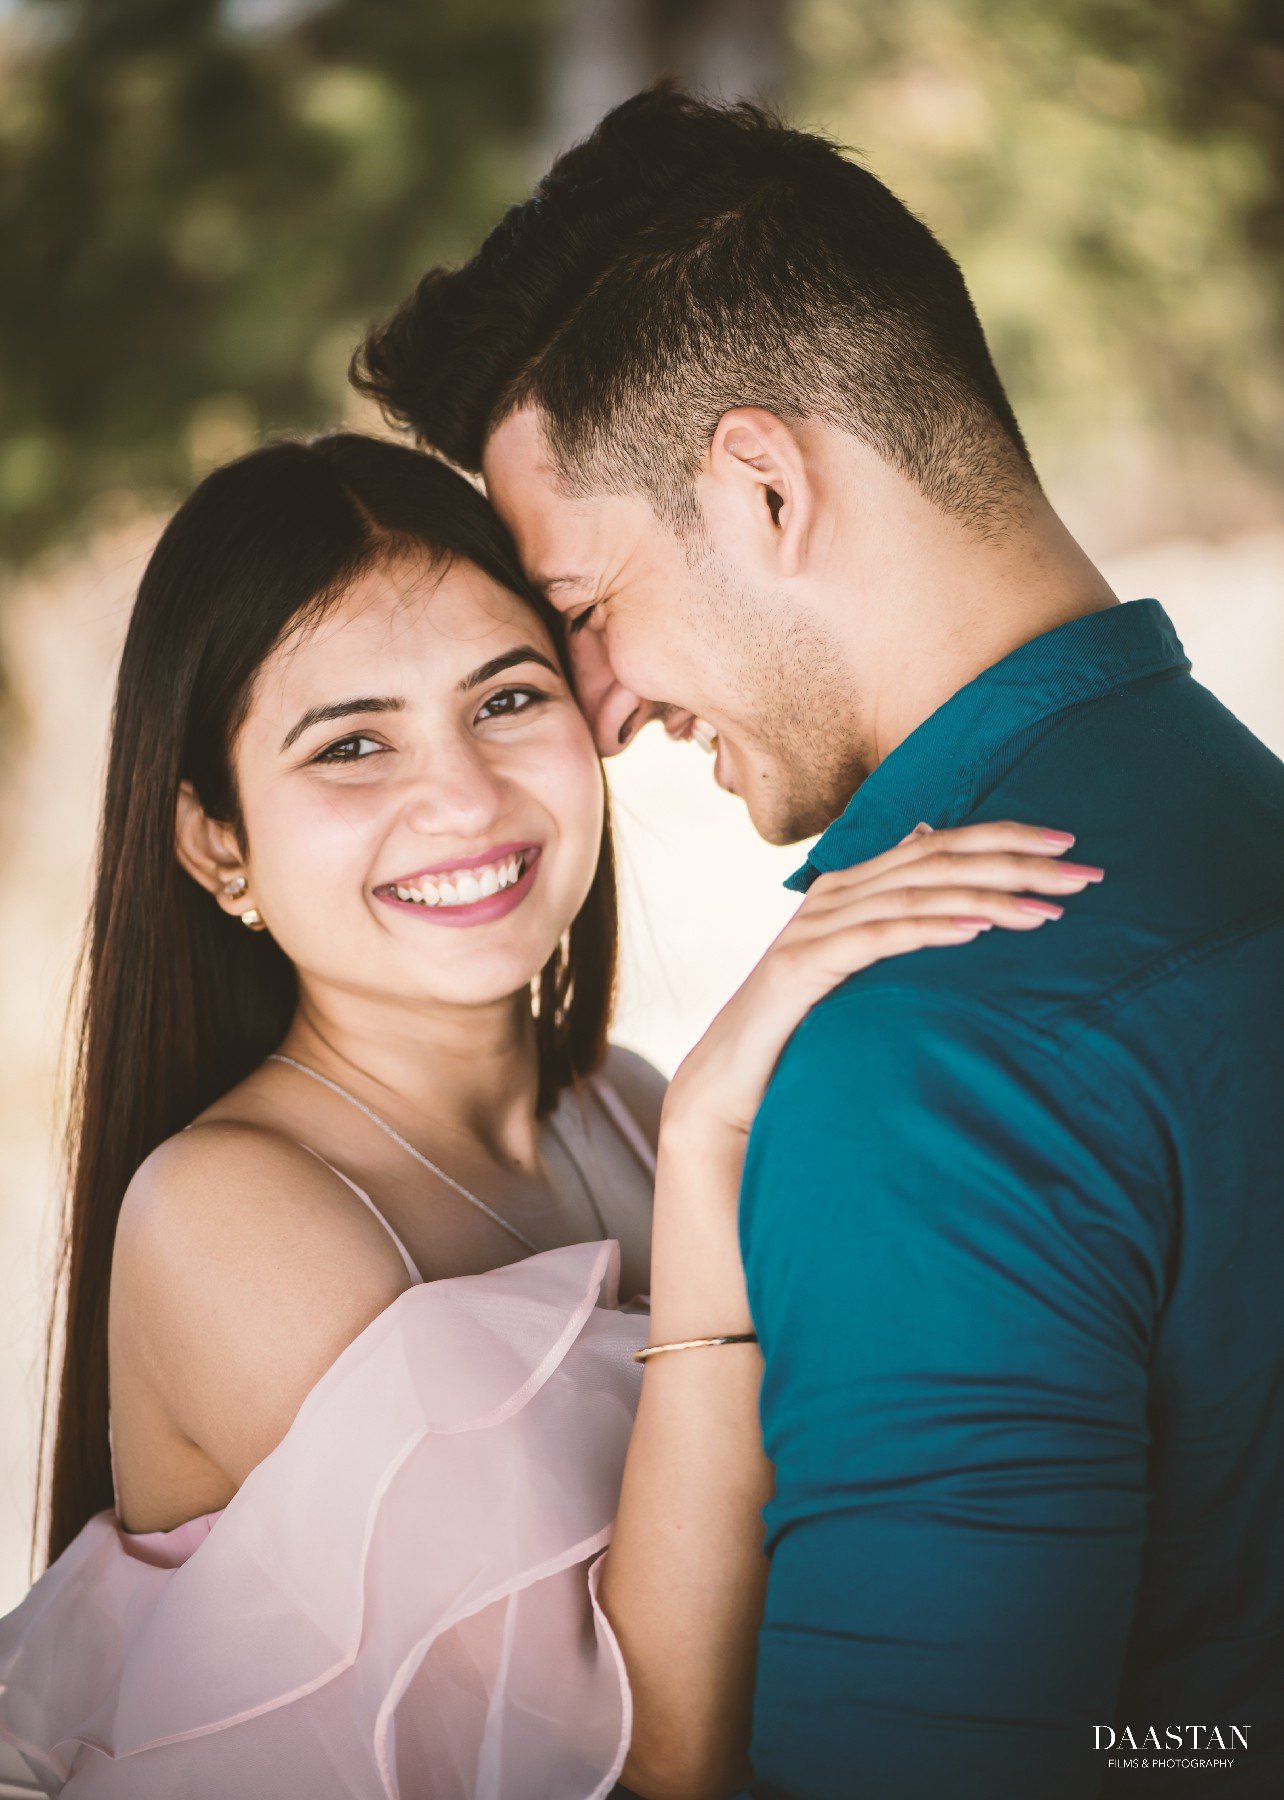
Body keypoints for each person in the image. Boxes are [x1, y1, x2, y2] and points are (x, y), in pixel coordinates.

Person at [352, 85, 1284, 1797]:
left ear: (764, 488)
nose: (600, 709)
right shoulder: (1245, 823)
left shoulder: (919, 1041)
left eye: (580, 611)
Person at [0, 431, 1079, 1799]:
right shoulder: (225, 1214)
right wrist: (712, 1149)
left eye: (506, 700)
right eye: (350, 743)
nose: (458, 797)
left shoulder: (616, 1106)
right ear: (218, 841)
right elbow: (658, 1752)